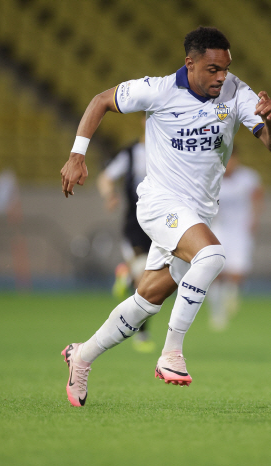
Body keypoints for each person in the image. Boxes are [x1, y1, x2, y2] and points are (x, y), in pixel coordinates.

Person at [59, 26, 271, 407]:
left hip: (197, 215)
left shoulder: (236, 92)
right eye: (213, 69)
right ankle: (171, 353)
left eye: (226, 68)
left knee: (148, 297)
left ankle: (81, 356)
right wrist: (77, 155)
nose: (221, 76)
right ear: (190, 63)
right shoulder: (159, 90)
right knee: (212, 256)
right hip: (159, 203)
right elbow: (100, 100)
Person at [96, 124, 155, 353]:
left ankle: (125, 274)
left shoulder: (170, 149)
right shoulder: (130, 153)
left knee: (157, 280)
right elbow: (106, 177)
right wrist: (110, 195)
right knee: (145, 281)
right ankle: (142, 335)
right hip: (135, 225)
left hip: (162, 224)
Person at [207, 148, 264, 330]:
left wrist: (254, 218)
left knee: (237, 274)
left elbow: (257, 196)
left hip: (239, 231)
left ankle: (230, 298)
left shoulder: (248, 177)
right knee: (215, 272)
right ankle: (217, 314)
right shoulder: (212, 177)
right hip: (218, 229)